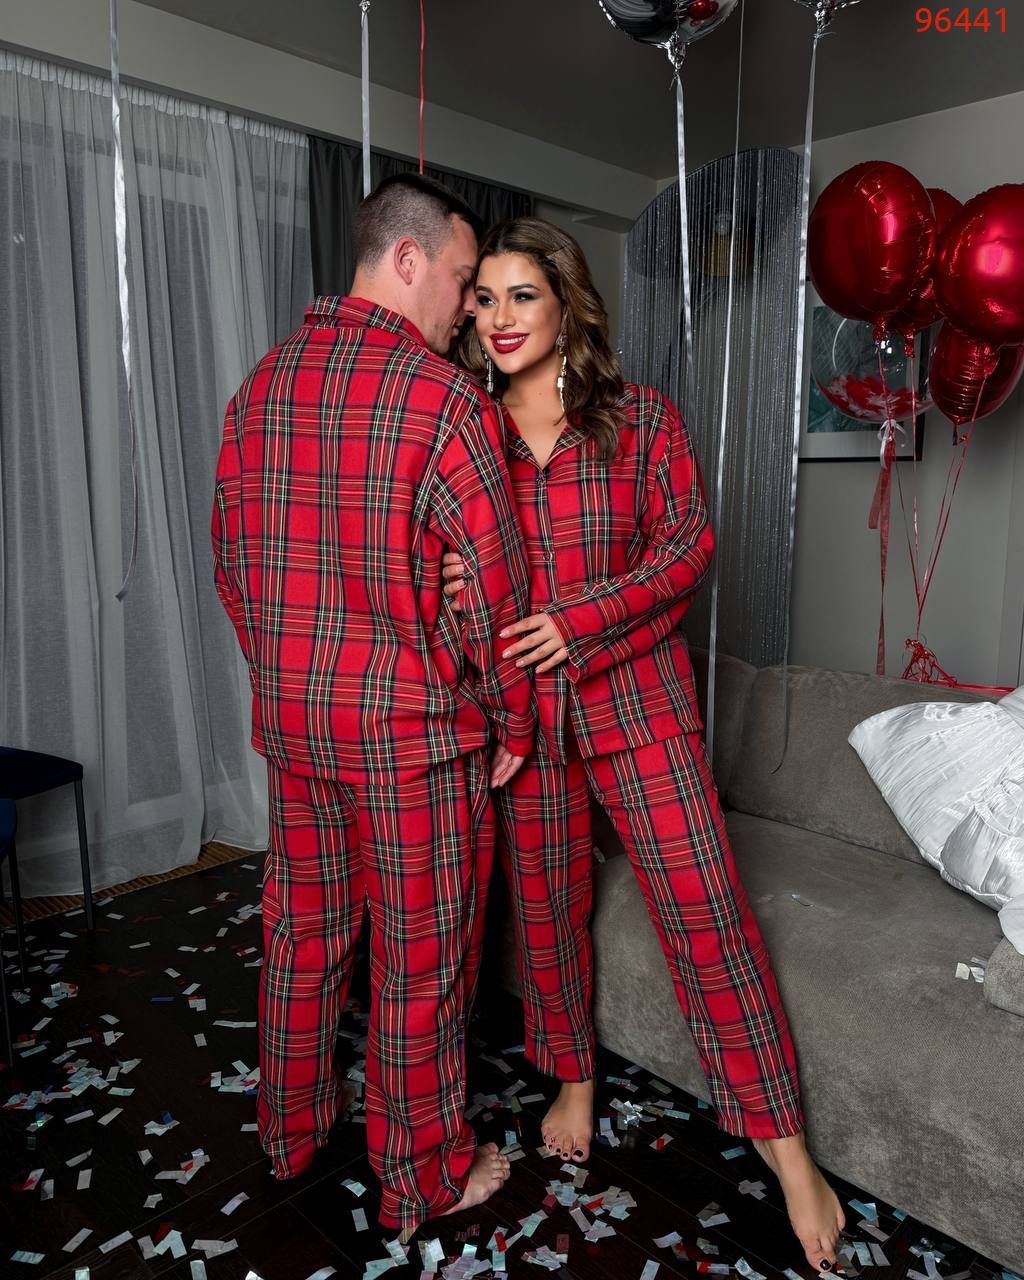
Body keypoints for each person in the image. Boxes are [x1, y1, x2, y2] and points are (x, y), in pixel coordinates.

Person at [443, 216, 845, 1270]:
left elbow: (686, 548)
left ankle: (787, 1150)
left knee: (708, 914)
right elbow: (446, 574)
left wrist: (579, 618)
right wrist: (452, 587)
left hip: (640, 708)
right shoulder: (466, 432)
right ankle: (573, 1076)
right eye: (484, 298)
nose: (498, 318)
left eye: (522, 295)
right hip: (526, 720)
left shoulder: (639, 418)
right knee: (547, 911)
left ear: (566, 303)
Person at [211, 175, 536, 1235]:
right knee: (421, 961)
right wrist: (511, 718)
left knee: (302, 938)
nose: (468, 310)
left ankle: (291, 1129)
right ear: (405, 259)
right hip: (412, 741)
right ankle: (423, 1174)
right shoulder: (445, 400)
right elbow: (499, 591)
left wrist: (284, 673)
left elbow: (232, 567)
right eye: (461, 280)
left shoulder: (258, 387)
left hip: (298, 730)